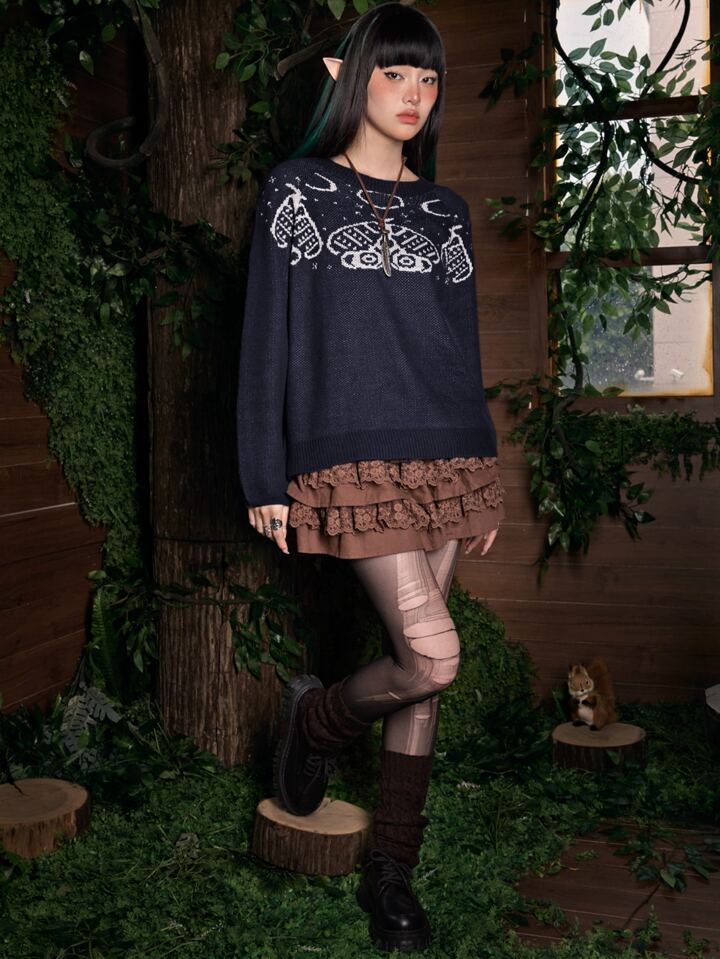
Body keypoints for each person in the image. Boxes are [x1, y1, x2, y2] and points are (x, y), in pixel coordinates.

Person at [236, 3, 505, 952]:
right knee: (431, 658)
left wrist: (484, 473)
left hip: (449, 456)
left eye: (428, 78)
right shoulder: (296, 191)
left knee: (421, 677)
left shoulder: (445, 210)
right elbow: (265, 339)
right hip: (349, 459)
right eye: (396, 73)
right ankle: (318, 724)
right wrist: (264, 472)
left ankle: (393, 868)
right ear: (345, 74)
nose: (414, 94)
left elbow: (460, 352)